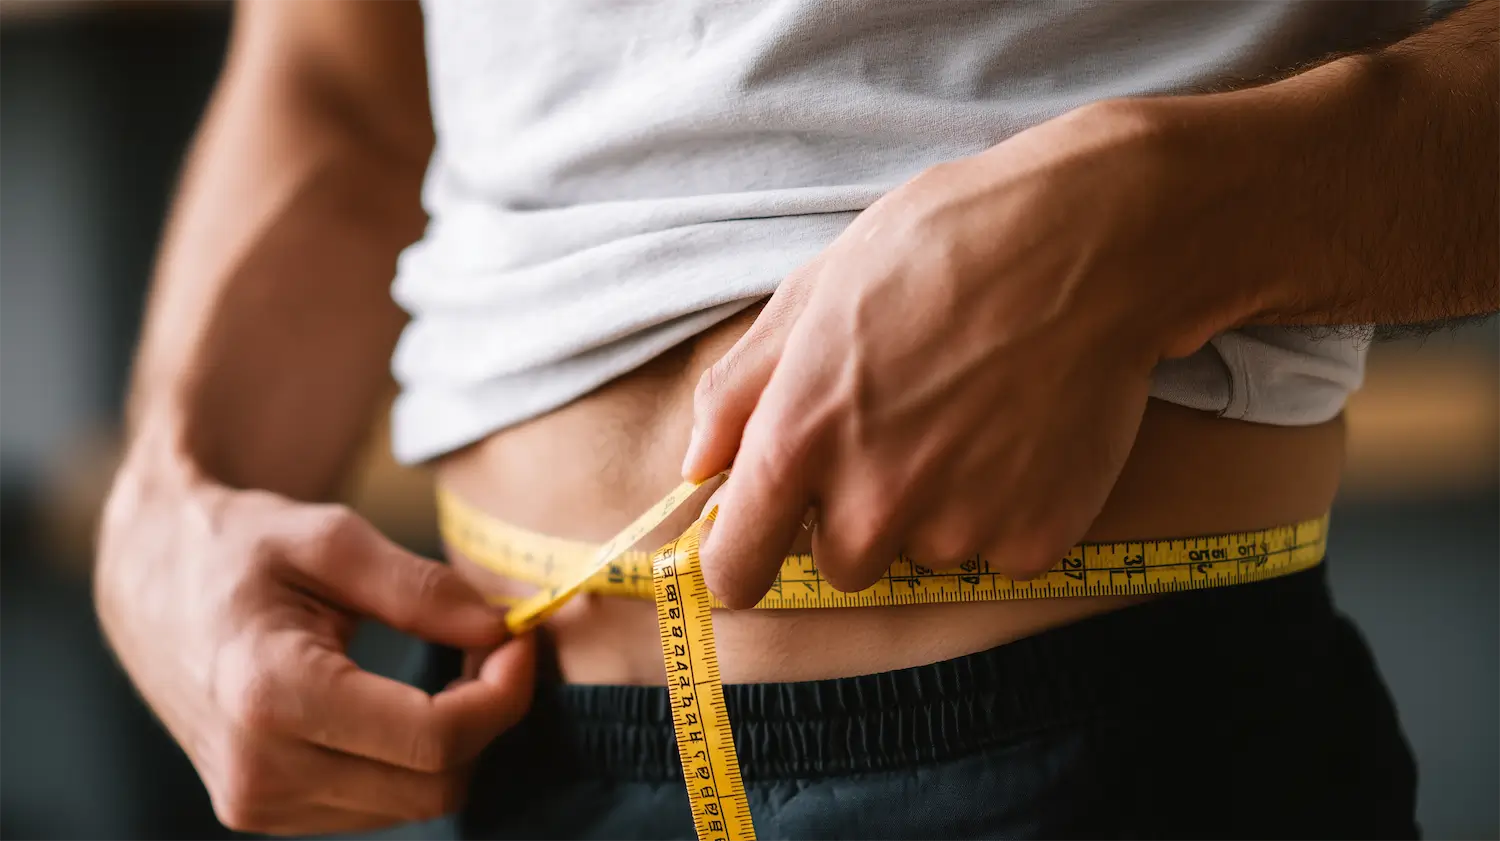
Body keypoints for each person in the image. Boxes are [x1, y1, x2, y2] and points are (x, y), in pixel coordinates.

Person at [94, 0, 1496, 837]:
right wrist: (170, 495)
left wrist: (1156, 220)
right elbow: (339, 84)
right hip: (522, 763)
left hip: (1102, 747)